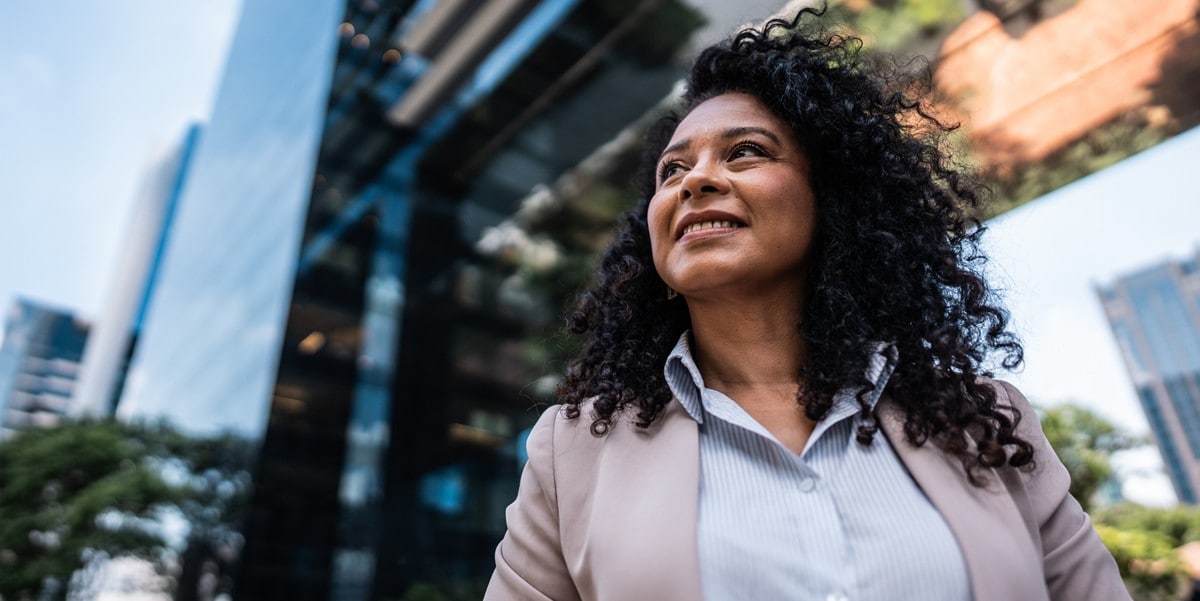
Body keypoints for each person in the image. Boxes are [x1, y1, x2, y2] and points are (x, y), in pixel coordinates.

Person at [484, 7, 1130, 601]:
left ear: (835, 199)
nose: (698, 180)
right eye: (672, 171)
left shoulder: (987, 421)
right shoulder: (571, 450)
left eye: (746, 152)